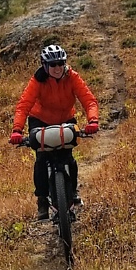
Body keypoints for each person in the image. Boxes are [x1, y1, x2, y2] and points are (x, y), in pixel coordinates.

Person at [10, 43, 99, 218]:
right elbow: (24, 106)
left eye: (61, 63)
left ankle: (72, 192)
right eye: (53, 65)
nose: (57, 68)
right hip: (40, 121)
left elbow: (89, 101)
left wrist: (93, 121)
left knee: (69, 159)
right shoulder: (37, 81)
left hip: (66, 119)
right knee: (41, 159)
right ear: (45, 66)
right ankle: (42, 199)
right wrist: (17, 130)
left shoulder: (72, 77)